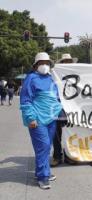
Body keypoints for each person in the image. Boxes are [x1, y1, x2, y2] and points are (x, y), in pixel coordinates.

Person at [20, 52, 62, 189]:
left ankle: (44, 172)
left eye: (47, 63)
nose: (44, 65)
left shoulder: (51, 78)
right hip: (37, 120)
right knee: (42, 146)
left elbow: (56, 96)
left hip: (51, 119)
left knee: (47, 146)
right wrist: (31, 118)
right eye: (41, 63)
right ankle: (42, 177)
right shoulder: (31, 78)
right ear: (36, 65)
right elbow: (25, 100)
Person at [51, 53, 77, 167]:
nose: (67, 63)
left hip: (73, 108)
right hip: (58, 107)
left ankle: (69, 155)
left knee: (69, 133)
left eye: (69, 61)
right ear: (61, 63)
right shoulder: (54, 74)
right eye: (65, 61)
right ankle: (57, 156)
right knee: (56, 133)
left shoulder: (77, 73)